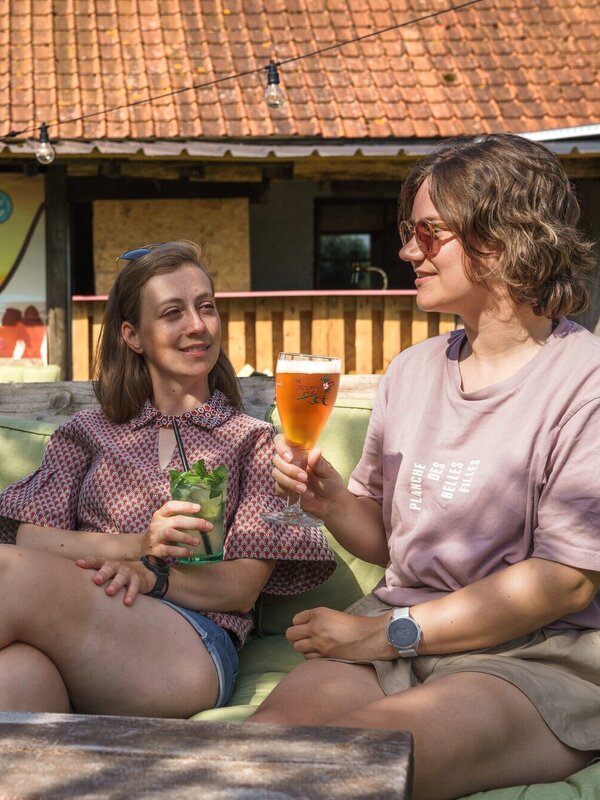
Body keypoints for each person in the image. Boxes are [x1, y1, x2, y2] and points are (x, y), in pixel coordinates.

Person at [250, 134, 600, 800]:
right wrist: (332, 503)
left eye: (428, 233)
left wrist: (386, 632)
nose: (407, 251)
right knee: (245, 763)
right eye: (408, 232)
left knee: (346, 771)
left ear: (503, 237)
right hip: (394, 635)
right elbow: (390, 543)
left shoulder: (586, 382)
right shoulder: (410, 373)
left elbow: (564, 586)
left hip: (534, 656)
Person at [0, 240, 335, 718]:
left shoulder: (252, 442)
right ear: (133, 336)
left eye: (206, 308)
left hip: (189, 643)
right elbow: (31, 537)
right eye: (173, 312)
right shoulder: (86, 434)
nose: (197, 326)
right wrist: (140, 544)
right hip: (82, 637)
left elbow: (240, 588)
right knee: (14, 678)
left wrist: (152, 577)